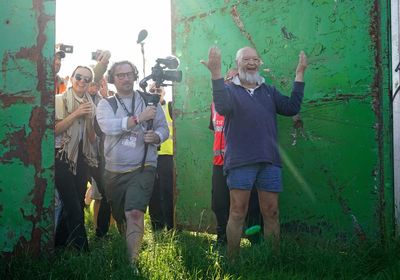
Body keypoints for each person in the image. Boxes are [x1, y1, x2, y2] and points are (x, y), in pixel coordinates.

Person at [201, 46, 307, 258]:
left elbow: (291, 107)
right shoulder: (230, 89)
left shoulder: (269, 91)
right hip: (240, 161)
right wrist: (215, 74)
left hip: (269, 161)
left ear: (260, 63)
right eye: (246, 59)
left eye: (255, 59)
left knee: (271, 212)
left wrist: (300, 73)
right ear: (238, 62)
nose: (251, 62)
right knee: (238, 211)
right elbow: (221, 107)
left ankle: (273, 260)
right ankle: (233, 261)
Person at [96, 61, 169, 273]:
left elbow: (164, 128)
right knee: (122, 217)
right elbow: (108, 127)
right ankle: (127, 242)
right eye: (120, 75)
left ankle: (133, 265)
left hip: (144, 166)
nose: (126, 78)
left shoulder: (149, 100)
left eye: (129, 74)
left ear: (135, 76)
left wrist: (156, 136)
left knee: (135, 213)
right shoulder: (106, 104)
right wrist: (139, 118)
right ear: (113, 79)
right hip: (114, 171)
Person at [209, 69, 263, 246]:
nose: (230, 81)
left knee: (251, 205)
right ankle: (222, 240)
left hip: (243, 163)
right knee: (219, 204)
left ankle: (256, 242)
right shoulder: (216, 104)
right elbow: (215, 130)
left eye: (235, 78)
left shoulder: (249, 100)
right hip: (220, 163)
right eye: (228, 78)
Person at [55, 65, 97, 251]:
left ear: (90, 84)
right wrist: (77, 113)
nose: (82, 81)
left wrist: (88, 118)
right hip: (62, 156)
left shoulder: (91, 104)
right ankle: (83, 252)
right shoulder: (59, 100)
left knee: (76, 202)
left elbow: (91, 138)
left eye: (86, 79)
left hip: (81, 158)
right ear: (71, 78)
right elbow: (54, 129)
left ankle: (60, 245)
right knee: (73, 205)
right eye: (78, 77)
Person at [148, 84, 174, 231]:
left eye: (159, 91)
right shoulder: (145, 108)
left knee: (168, 192)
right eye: (152, 91)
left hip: (167, 157)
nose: (156, 93)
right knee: (152, 192)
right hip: (150, 157)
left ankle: (171, 225)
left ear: (164, 92)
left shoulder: (170, 106)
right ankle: (156, 227)